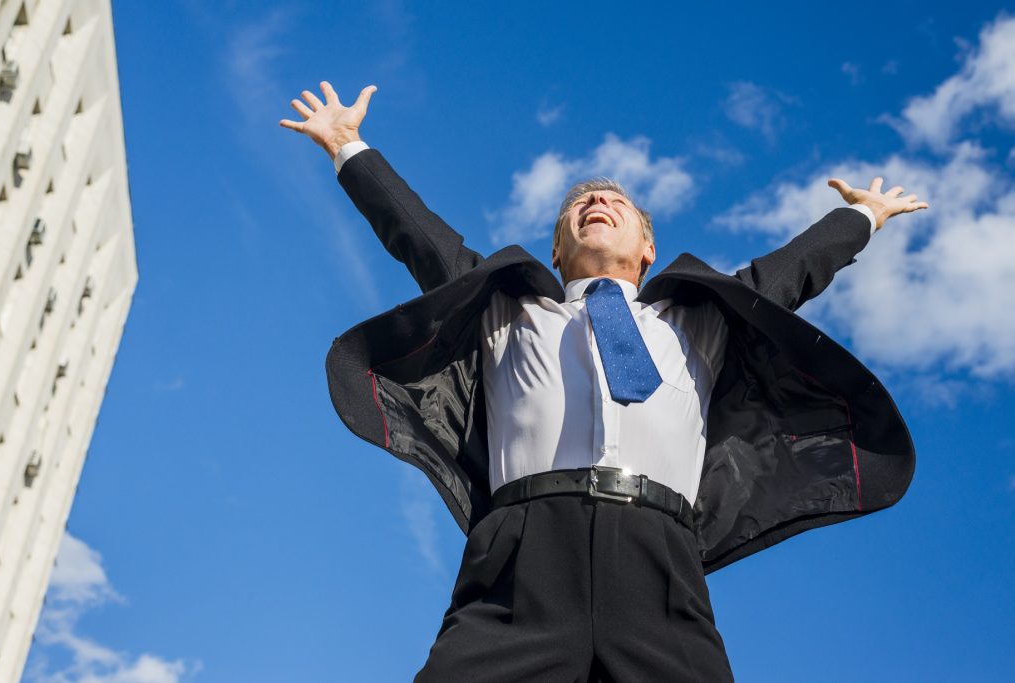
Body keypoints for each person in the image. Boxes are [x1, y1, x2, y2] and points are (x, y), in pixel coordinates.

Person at [280, 82, 926, 681]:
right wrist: (348, 147)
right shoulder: (511, 312)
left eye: (617, 203)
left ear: (648, 247)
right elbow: (421, 239)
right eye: (580, 204)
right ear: (556, 251)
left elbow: (790, 273)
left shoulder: (697, 322)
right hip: (522, 559)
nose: (596, 201)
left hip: (660, 560)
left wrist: (863, 217)